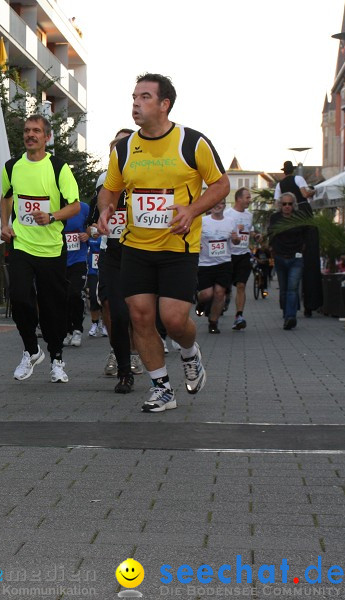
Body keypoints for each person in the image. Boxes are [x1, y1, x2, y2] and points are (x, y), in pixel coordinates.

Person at [97, 73, 229, 413]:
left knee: (172, 320)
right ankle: (161, 388)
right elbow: (110, 189)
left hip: (178, 248)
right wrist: (105, 208)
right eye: (134, 97)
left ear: (164, 104)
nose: (136, 104)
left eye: (144, 97)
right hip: (136, 247)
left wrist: (192, 209)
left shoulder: (191, 142)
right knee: (139, 317)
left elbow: (220, 185)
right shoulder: (125, 149)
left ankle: (189, 352)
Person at [1, 114, 81, 384]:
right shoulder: (12, 166)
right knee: (20, 297)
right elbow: (7, 196)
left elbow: (75, 205)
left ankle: (57, 358)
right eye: (26, 130)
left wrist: (53, 216)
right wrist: (4, 224)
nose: (30, 134)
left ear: (47, 137)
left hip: (51, 248)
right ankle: (31, 351)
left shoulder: (59, 168)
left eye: (36, 130)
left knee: (52, 307)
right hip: (22, 244)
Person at [90, 129, 137, 393]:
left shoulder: (144, 173)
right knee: (116, 311)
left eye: (123, 145)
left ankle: (143, 357)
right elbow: (98, 208)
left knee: (142, 314)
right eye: (114, 147)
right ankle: (124, 370)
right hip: (113, 250)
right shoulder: (103, 179)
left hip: (141, 249)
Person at [275, 161, 322, 316]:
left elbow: (277, 202)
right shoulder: (299, 179)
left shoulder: (280, 185)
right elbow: (304, 194)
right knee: (310, 259)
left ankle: (288, 307)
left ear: (284, 172)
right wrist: (313, 191)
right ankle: (310, 304)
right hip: (303, 215)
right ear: (293, 170)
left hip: (287, 220)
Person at [196, 199, 239, 334]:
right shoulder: (203, 221)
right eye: (214, 203)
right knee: (206, 294)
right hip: (205, 263)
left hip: (224, 263)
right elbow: (194, 238)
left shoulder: (230, 221)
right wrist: (197, 245)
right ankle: (201, 304)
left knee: (220, 293)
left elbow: (236, 241)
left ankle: (213, 322)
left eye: (220, 203)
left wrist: (235, 238)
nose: (217, 206)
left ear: (224, 206)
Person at [268, 192, 307, 330]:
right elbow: (271, 234)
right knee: (284, 289)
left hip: (296, 258)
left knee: (292, 288)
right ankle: (286, 315)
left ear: (294, 205)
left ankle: (291, 317)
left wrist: (302, 249)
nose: (287, 206)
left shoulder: (299, 218)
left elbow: (306, 235)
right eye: (284, 204)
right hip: (280, 258)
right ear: (280, 205)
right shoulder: (275, 218)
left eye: (290, 204)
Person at [223, 187, 255, 330]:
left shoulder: (249, 215)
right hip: (229, 255)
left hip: (243, 254)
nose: (250, 200)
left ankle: (239, 316)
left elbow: (250, 230)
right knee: (224, 288)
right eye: (247, 197)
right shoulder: (227, 214)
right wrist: (235, 229)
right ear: (238, 199)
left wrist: (255, 235)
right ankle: (223, 302)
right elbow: (222, 231)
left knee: (241, 285)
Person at [62, 199, 91, 348]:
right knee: (63, 296)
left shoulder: (83, 208)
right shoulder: (56, 208)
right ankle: (67, 331)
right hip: (60, 259)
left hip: (78, 259)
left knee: (74, 293)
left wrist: (87, 234)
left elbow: (94, 225)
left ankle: (77, 329)